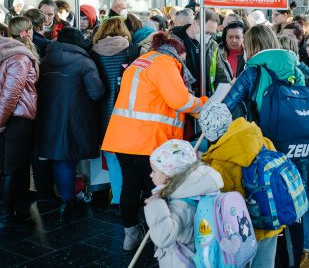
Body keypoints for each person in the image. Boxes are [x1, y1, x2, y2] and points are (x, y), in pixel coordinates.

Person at [102, 32, 207, 250]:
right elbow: (180, 100)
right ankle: (163, 239)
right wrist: (204, 103)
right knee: (158, 190)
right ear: (178, 52)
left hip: (122, 137)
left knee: (130, 186)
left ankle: (130, 235)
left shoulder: (141, 61)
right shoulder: (165, 63)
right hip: (149, 139)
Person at [37, 27, 105, 220]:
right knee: (68, 159)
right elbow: (96, 92)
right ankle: (68, 201)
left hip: (48, 117)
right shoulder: (85, 62)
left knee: (60, 159)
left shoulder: (44, 61)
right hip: (76, 118)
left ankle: (66, 198)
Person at [202, 107, 283, 268]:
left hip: (245, 232)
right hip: (272, 218)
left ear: (208, 134)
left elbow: (223, 204)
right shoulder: (261, 139)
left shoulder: (220, 162)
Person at [144, 139, 224, 268]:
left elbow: (163, 238)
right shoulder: (197, 188)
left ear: (168, 175)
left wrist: (155, 204)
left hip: (180, 262)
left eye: (154, 171)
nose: (150, 175)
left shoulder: (181, 204)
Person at [91, 17, 140, 210]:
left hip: (103, 110)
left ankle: (117, 197)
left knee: (111, 155)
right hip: (128, 109)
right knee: (130, 156)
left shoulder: (93, 53)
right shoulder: (132, 50)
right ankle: (131, 195)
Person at [0, 23, 38, 229]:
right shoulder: (19, 57)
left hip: (9, 118)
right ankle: (6, 215)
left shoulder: (13, 56)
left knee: (15, 167)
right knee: (12, 169)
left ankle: (19, 210)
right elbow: (11, 95)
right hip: (16, 118)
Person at [172, 10, 220, 93]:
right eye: (206, 32)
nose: (208, 36)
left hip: (205, 95)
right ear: (195, 23)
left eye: (212, 34)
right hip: (181, 94)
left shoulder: (212, 45)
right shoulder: (173, 41)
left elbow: (220, 72)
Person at [207, 21, 245, 94]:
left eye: (237, 37)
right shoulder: (215, 53)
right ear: (225, 37)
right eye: (230, 37)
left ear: (243, 38)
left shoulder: (250, 54)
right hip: (220, 98)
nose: (234, 40)